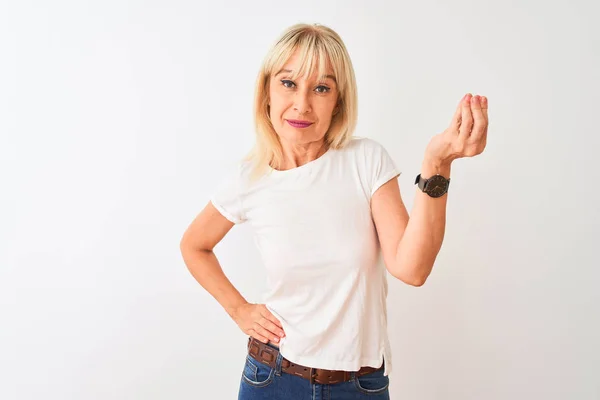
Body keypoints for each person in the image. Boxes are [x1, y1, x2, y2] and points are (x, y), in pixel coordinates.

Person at [180, 22, 489, 400]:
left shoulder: (365, 160)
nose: (302, 104)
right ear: (267, 92)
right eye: (288, 83)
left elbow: (413, 268)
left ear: (338, 100)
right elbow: (194, 245)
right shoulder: (250, 179)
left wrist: (437, 164)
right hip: (271, 378)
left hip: (358, 386)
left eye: (321, 88)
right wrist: (239, 309)